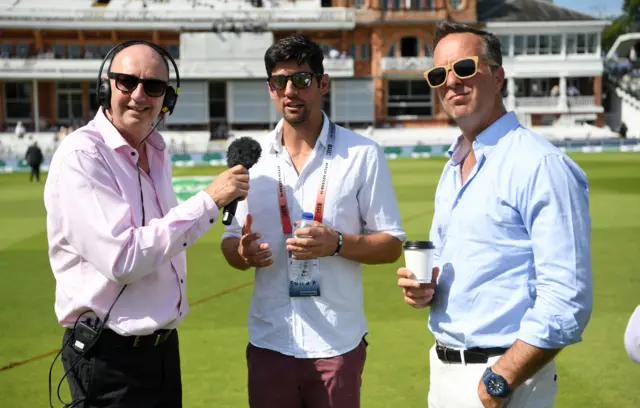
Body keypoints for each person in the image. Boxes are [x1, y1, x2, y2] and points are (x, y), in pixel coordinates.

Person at [396, 21, 592, 408]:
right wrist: (426, 289)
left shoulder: (540, 164)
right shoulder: (453, 166)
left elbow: (568, 298)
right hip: (445, 369)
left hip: (505, 379)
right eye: (439, 74)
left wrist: (501, 379)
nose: (451, 82)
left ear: (498, 76)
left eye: (465, 68)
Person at [44, 40, 250, 408]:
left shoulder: (156, 150)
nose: (139, 95)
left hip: (161, 351)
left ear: (165, 99)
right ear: (106, 86)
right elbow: (123, 260)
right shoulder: (82, 155)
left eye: (153, 87)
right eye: (127, 82)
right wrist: (208, 201)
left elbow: (162, 240)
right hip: (108, 357)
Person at [221, 34, 405, 408]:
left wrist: (337, 243)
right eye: (280, 81)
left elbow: (391, 244)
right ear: (271, 89)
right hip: (271, 341)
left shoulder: (362, 154)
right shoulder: (252, 160)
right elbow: (229, 244)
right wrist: (242, 253)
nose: (291, 90)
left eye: (302, 80)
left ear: (323, 83)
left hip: (336, 345)